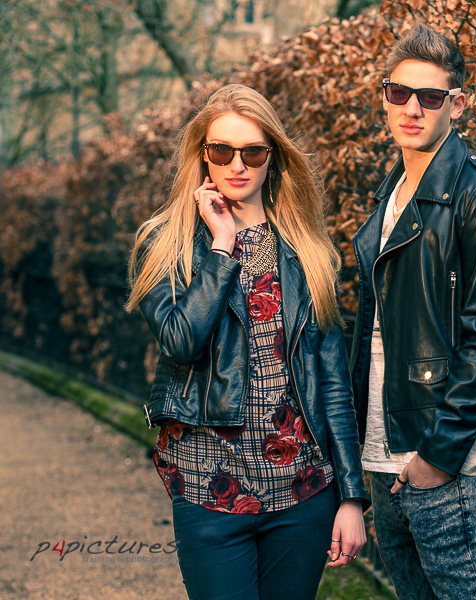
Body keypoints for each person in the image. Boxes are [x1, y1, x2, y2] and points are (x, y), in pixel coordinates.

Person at [125, 83, 368, 600]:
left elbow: (333, 384)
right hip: (208, 489)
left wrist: (350, 497)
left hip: (303, 493)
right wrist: (220, 247)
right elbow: (180, 342)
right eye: (221, 151)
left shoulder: (308, 251)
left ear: (272, 159)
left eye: (253, 151)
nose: (237, 165)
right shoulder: (165, 243)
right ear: (202, 156)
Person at [349, 23, 476, 600]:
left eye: (429, 97)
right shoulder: (390, 192)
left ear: (457, 105)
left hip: (441, 454)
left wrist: (439, 454)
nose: (411, 108)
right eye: (398, 93)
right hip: (384, 446)